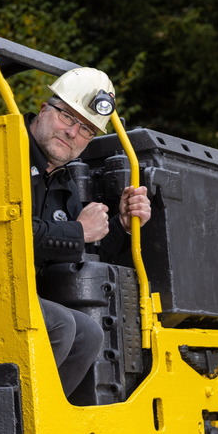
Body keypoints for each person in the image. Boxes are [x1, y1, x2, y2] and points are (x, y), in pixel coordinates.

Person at [26, 67, 151, 398]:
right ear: (43, 110)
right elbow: (8, 234)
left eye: (86, 129)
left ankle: (45, 419)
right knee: (62, 324)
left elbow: (76, 259)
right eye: (67, 117)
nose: (72, 133)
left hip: (29, 296)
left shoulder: (64, 180)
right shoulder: (3, 152)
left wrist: (122, 227)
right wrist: (78, 231)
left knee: (88, 333)